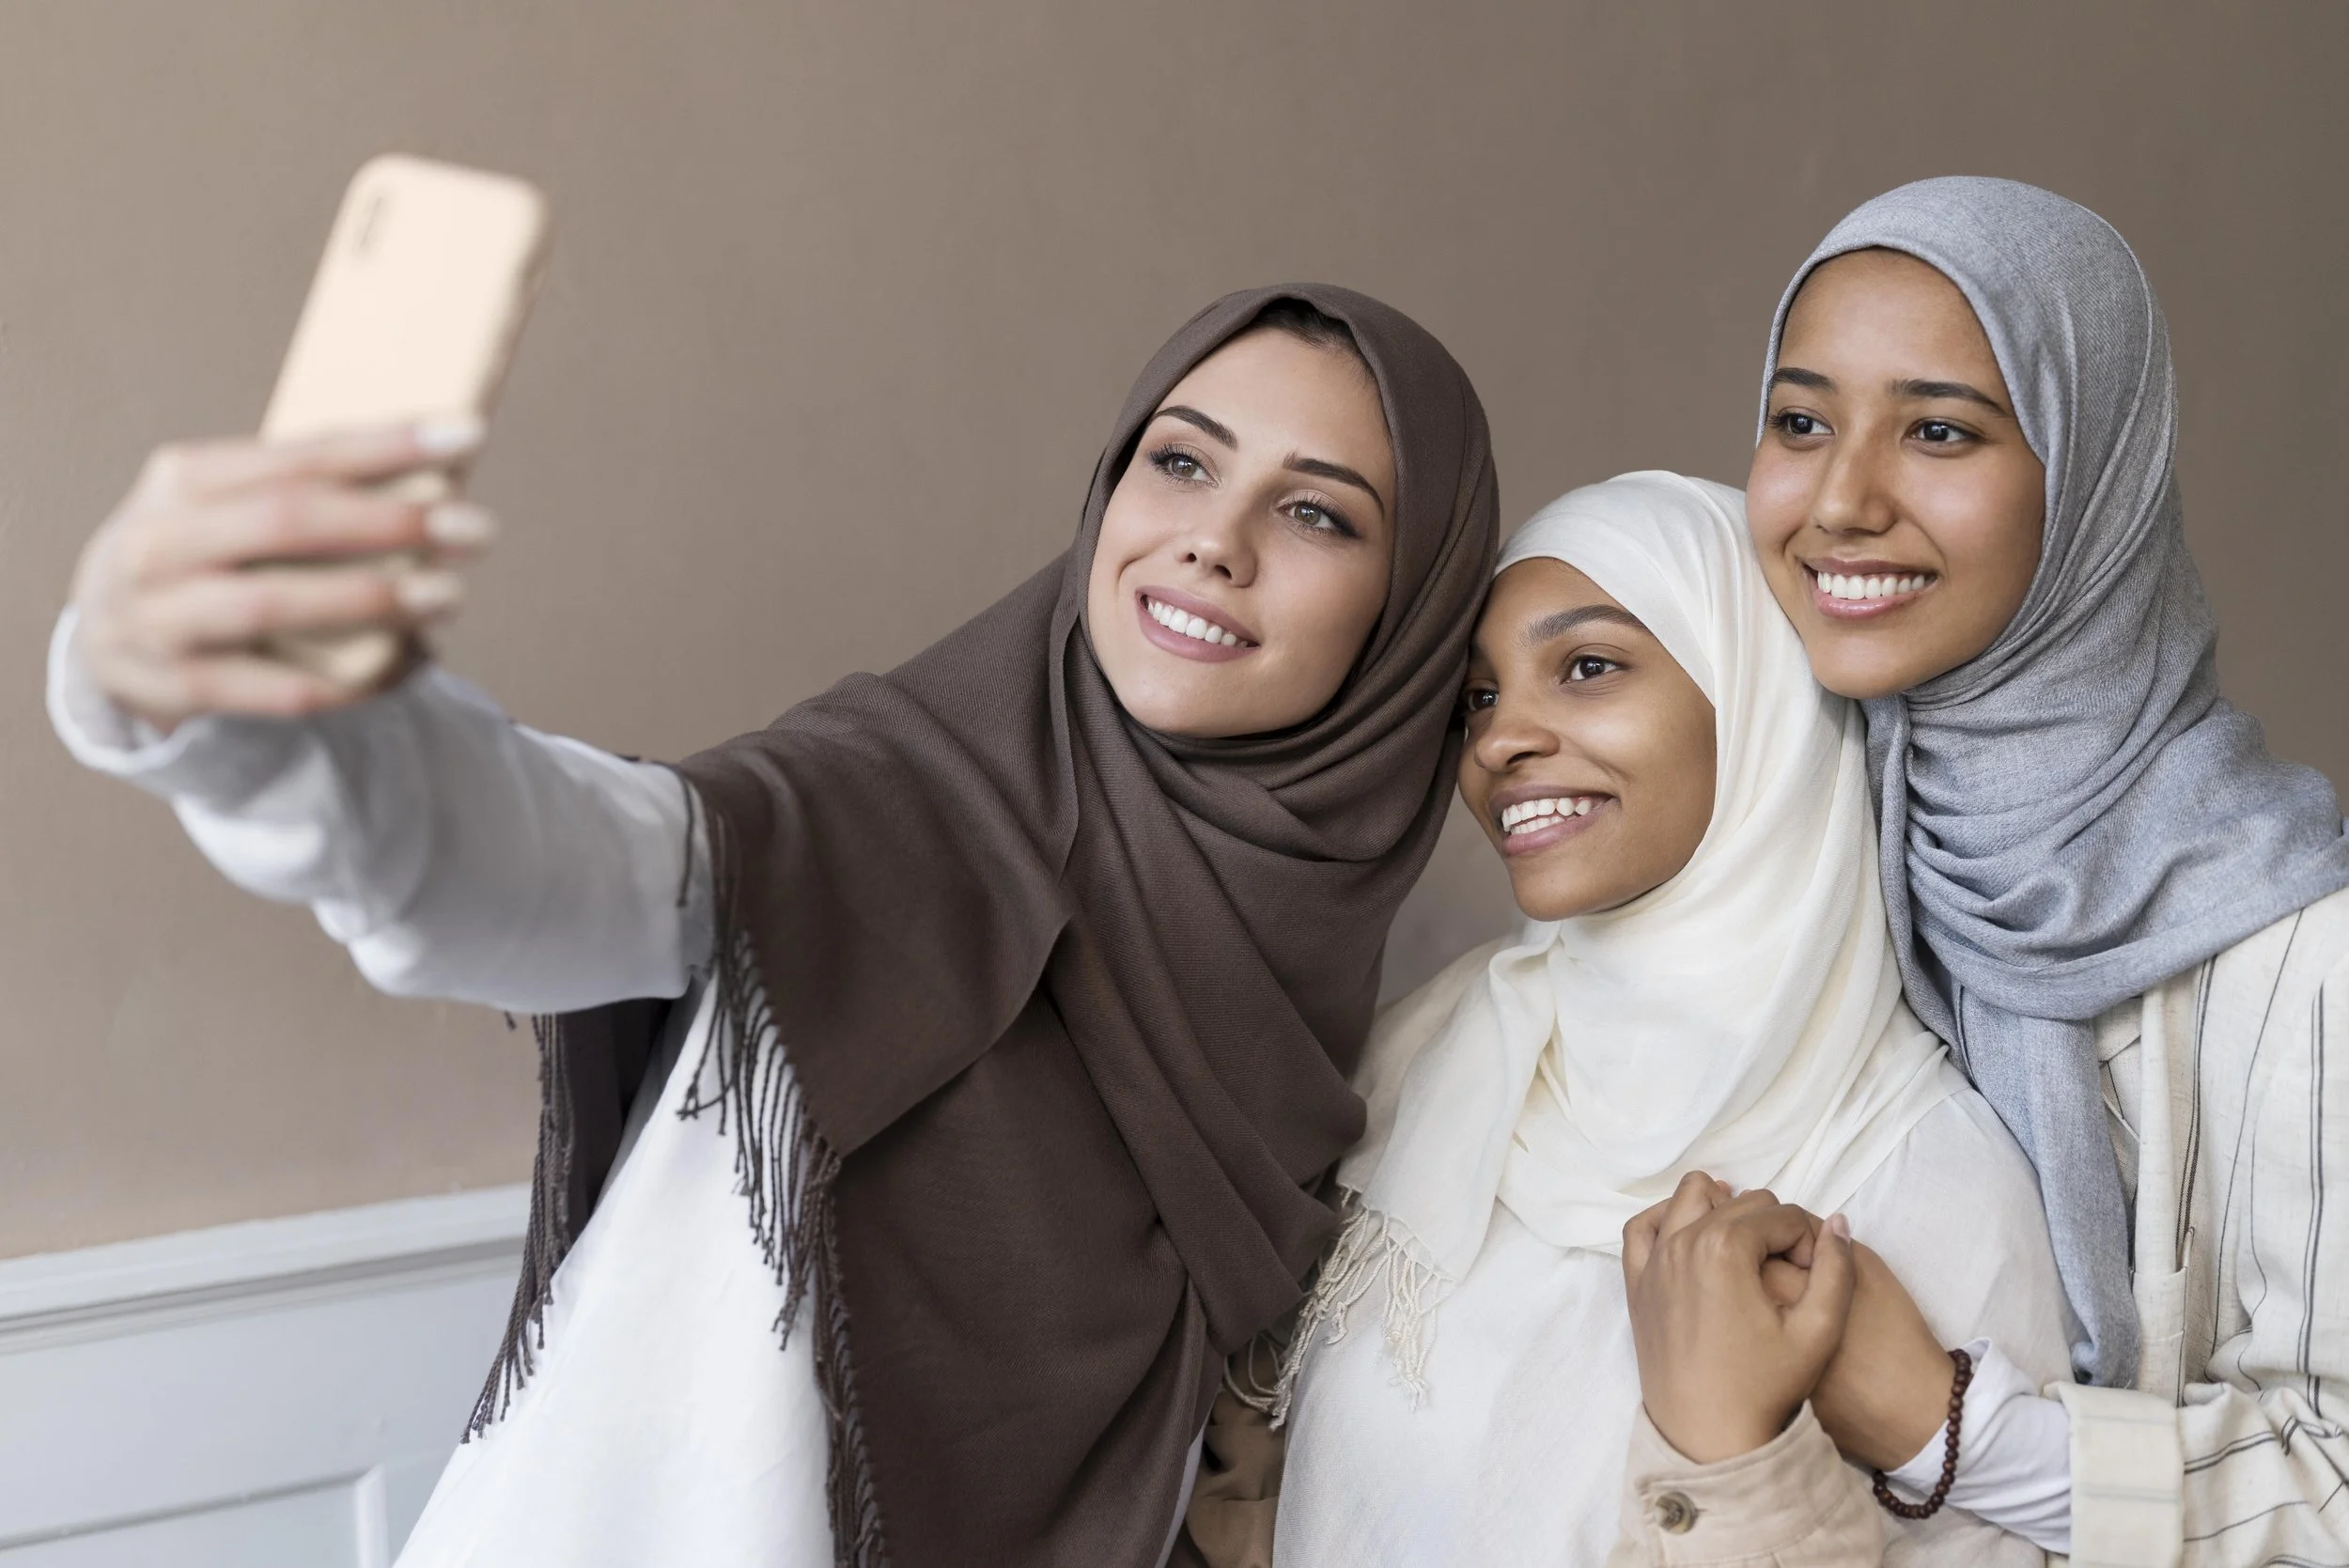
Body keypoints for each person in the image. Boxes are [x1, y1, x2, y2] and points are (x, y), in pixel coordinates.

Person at [49, 286, 1501, 1568]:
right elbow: (565, 855)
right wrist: (225, 711)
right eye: (1178, 460)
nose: (1213, 541)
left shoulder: (1339, 1006)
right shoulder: (890, 808)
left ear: (1412, 615)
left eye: (1316, 512)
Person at [1633, 177, 2349, 1565]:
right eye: (1800, 422)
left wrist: (1945, 1424)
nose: (1842, 500)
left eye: (1940, 431)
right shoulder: (1789, 842)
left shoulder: (2300, 951)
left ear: (2093, 477)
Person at [1258, 472, 2072, 1567]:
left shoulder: (1927, 1174)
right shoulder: (1421, 1062)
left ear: (1757, 694)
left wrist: (1726, 1447)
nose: (1497, 742)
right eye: (1478, 698)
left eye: (1587, 666)